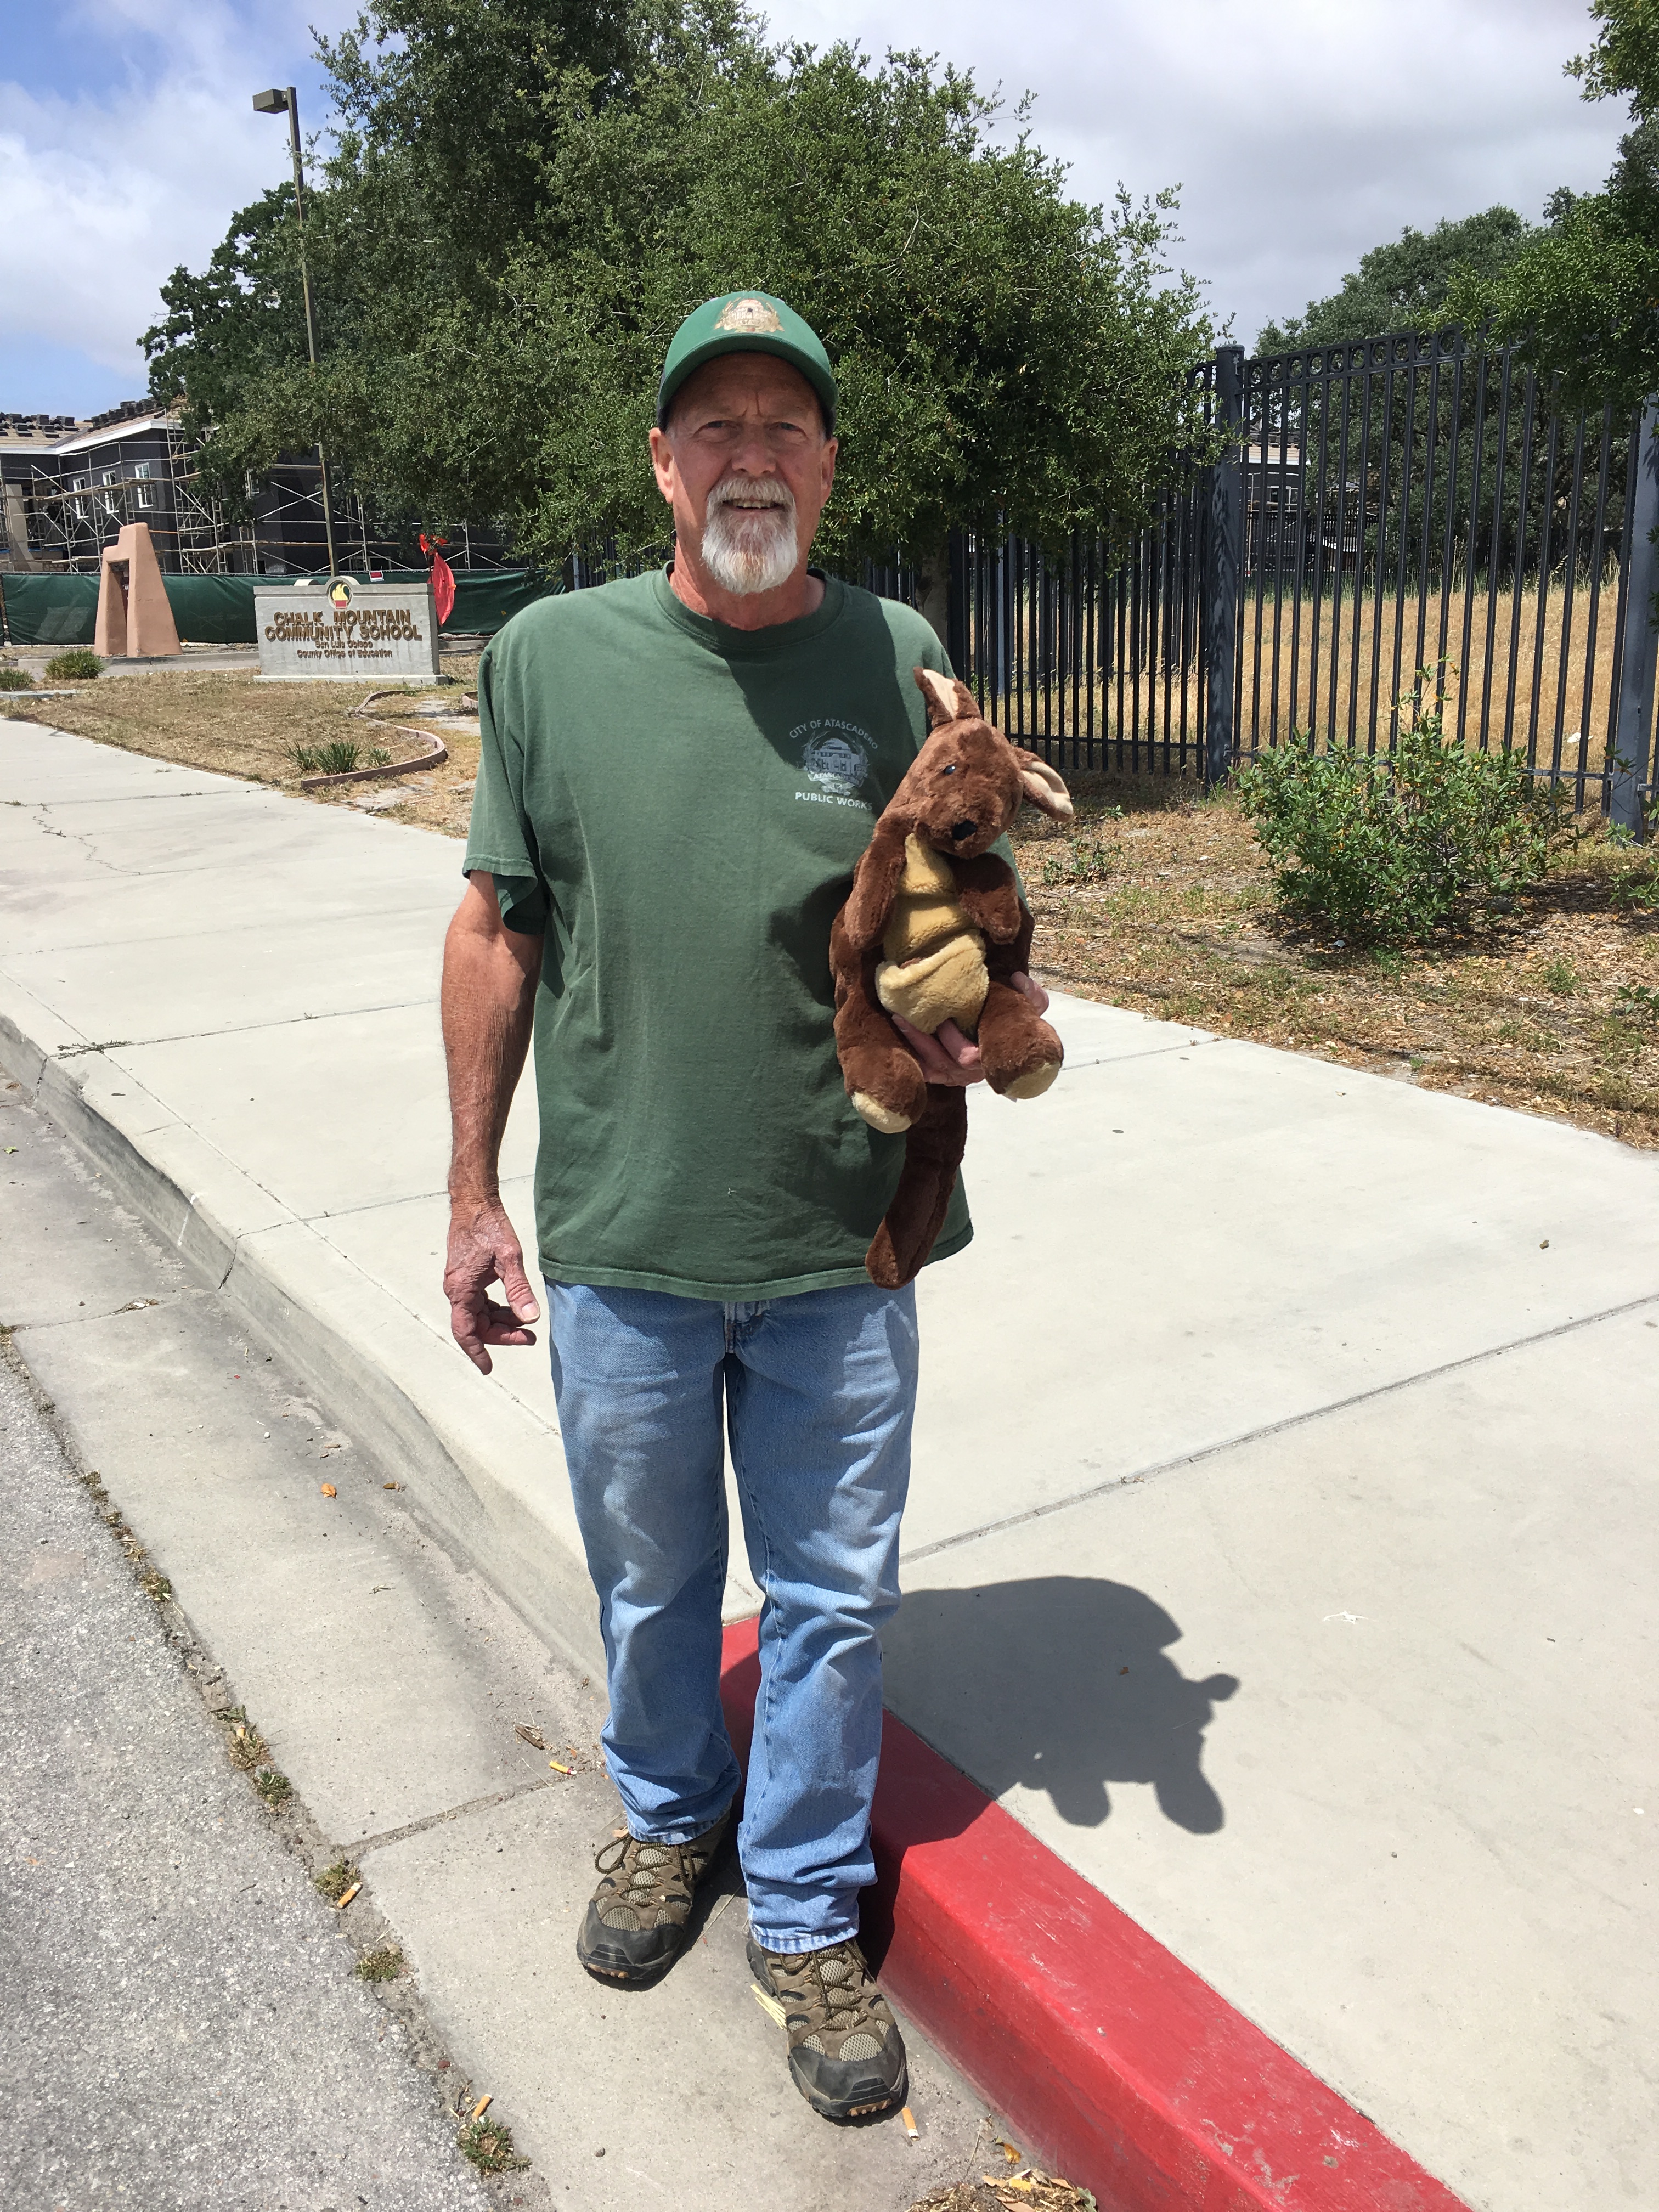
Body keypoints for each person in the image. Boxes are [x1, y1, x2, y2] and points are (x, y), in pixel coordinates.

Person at [440, 290, 1048, 2123]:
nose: (753, 458)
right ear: (662, 462)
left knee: (834, 1597)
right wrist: (471, 1190)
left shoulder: (899, 654)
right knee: (651, 1587)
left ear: (831, 466)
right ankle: (667, 1818)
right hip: (625, 1231)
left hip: (838, 1238)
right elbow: (498, 931)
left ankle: (800, 1906)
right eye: (718, 425)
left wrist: (966, 1021)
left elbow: (942, 898)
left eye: (788, 425)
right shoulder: (549, 661)